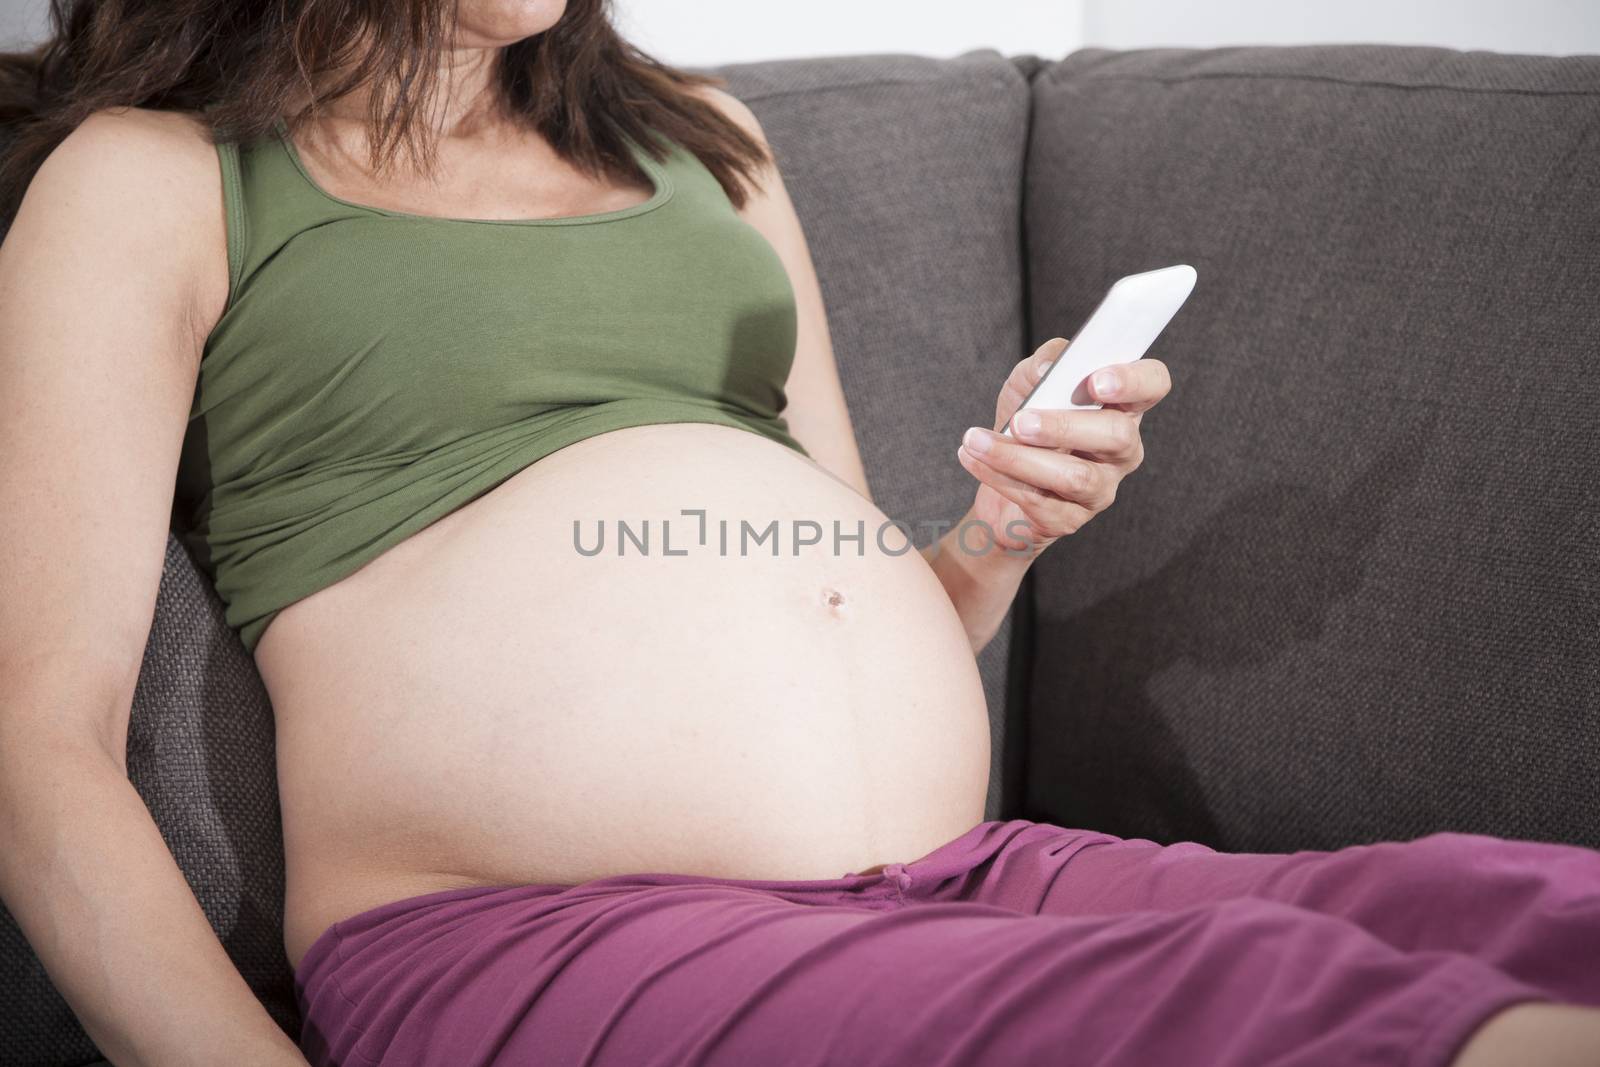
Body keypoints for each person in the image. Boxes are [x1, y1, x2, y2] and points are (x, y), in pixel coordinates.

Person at [0, 2, 1596, 1064]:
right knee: (1318, 1025)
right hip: (536, 940)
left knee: (1514, 913)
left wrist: (994, 536)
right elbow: (36, 747)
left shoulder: (703, 143)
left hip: (949, 872)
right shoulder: (154, 180)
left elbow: (868, 592)